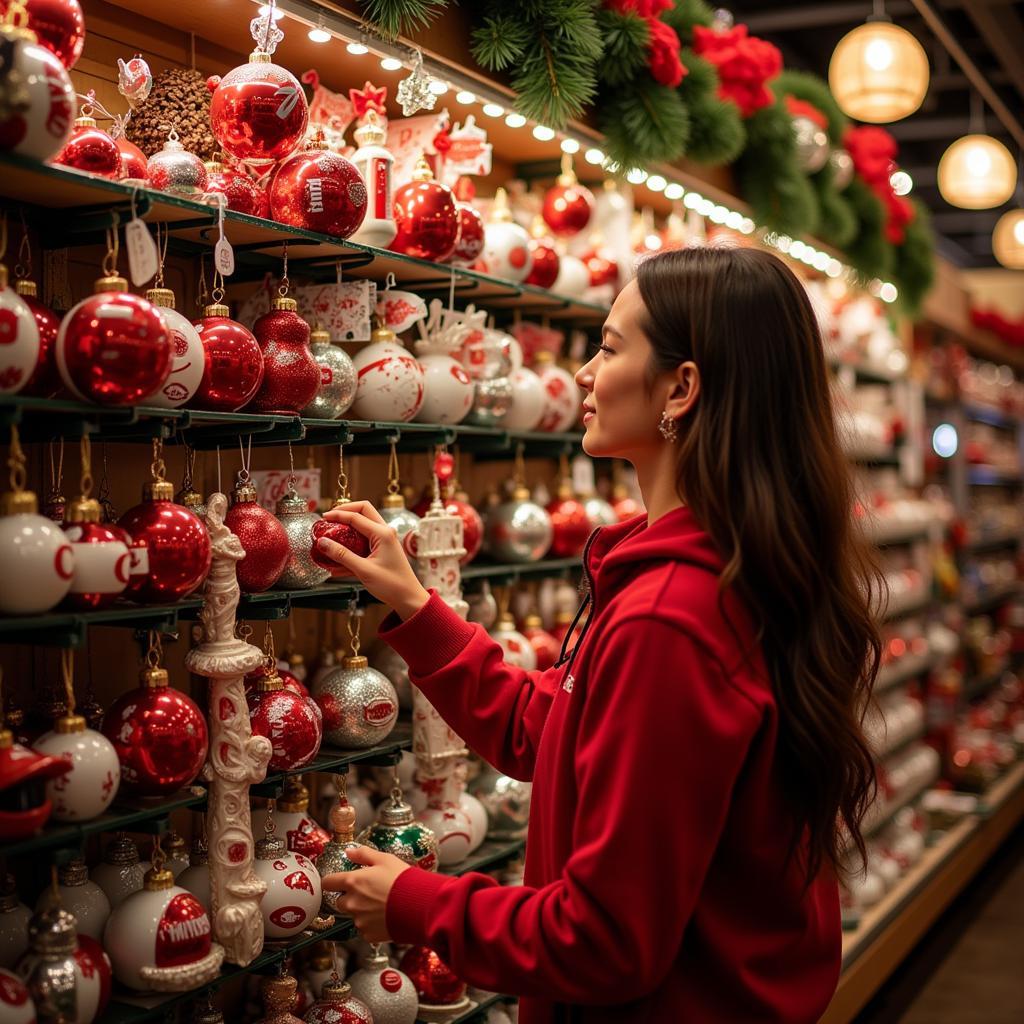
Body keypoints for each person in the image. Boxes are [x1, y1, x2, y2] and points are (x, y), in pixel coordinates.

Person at [317, 245, 881, 1024]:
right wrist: (416, 606)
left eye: (611, 349)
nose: (584, 374)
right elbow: (545, 731)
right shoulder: (719, 574)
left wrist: (418, 903)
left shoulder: (671, 620)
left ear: (681, 388)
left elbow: (607, 940)